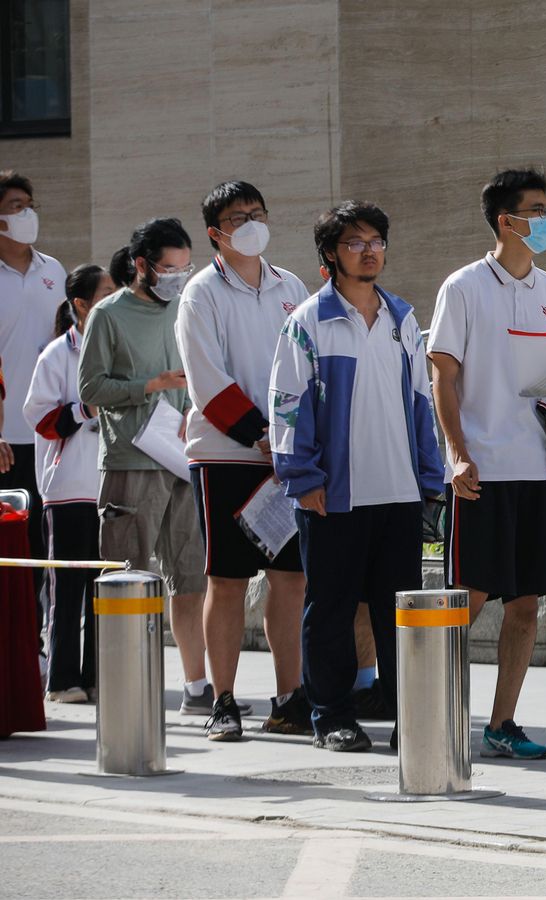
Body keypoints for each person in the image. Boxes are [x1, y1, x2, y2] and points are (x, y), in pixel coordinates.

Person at [270, 200, 443, 752]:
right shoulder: (307, 323)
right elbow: (287, 405)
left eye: (376, 241)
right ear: (330, 255)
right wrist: (303, 477)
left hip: (397, 492)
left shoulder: (403, 319)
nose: (369, 251)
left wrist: (428, 478)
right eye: (354, 242)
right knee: (331, 610)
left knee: (398, 614)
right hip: (333, 496)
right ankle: (331, 717)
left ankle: (408, 720)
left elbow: (422, 401)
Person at [429, 168, 546, 761]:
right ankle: (431, 712)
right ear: (505, 221)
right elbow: (444, 376)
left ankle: (502, 722)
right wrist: (459, 455)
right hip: (481, 469)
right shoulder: (463, 288)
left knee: (525, 603)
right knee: (466, 597)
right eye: (536, 209)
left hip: (535, 468)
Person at [177, 181, 313, 741]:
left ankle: (289, 698)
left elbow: (307, 366)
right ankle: (225, 700)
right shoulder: (200, 293)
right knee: (228, 580)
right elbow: (206, 379)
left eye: (258, 212)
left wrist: (296, 438)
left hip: (285, 460)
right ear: (216, 232)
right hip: (226, 455)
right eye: (239, 217)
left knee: (291, 579)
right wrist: (261, 433)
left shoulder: (292, 286)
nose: (252, 223)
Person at [79, 218, 210, 714]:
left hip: (185, 458)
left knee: (191, 579)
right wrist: (148, 386)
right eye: (168, 268)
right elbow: (90, 390)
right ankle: (127, 691)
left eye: (184, 267)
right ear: (141, 266)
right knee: (128, 579)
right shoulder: (108, 315)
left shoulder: (188, 308)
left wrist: (193, 408)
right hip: (132, 460)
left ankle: (196, 687)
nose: (178, 277)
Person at [25, 264, 113, 704]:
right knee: (67, 587)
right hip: (67, 490)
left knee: (105, 586)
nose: (115, 299)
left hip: (112, 487)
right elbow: (40, 419)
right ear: (81, 304)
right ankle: (61, 681)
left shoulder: (119, 350)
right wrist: (85, 410)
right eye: (106, 292)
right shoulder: (57, 355)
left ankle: (98, 675)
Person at [0, 171, 67, 570]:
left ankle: (44, 630)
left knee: (48, 545)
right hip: (6, 439)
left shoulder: (54, 271)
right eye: (15, 206)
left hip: (51, 432)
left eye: (30, 205)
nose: (27, 214)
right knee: (11, 547)